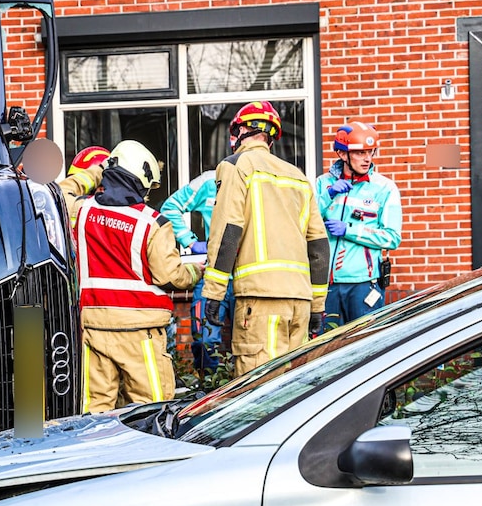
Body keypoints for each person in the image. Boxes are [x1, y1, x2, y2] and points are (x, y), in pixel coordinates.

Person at [59, 140, 203, 412]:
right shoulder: (153, 222)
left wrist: (94, 172)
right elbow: (171, 277)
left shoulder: (81, 210)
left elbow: (58, 193)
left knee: (94, 412)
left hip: (93, 328)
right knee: (151, 410)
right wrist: (195, 271)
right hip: (141, 334)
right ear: (140, 180)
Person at [202, 101, 330, 377]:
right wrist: (318, 305)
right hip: (300, 302)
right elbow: (319, 246)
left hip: (260, 302)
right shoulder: (299, 177)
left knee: (258, 393)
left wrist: (213, 292)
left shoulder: (237, 165)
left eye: (235, 131)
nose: (232, 139)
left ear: (245, 130)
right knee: (294, 389)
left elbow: (228, 232)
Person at [315, 121, 402, 328]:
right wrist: (328, 195)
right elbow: (304, 222)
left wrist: (349, 230)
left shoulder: (385, 188)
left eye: (370, 152)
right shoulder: (323, 183)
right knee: (326, 346)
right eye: (360, 152)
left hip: (363, 283)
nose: (367, 158)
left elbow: (392, 237)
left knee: (365, 343)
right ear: (342, 154)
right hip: (328, 284)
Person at [160, 170, 235, 380]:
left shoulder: (258, 179)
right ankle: (208, 389)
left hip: (246, 277)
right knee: (204, 340)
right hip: (212, 274)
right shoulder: (210, 181)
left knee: (247, 344)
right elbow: (170, 207)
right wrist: (190, 241)